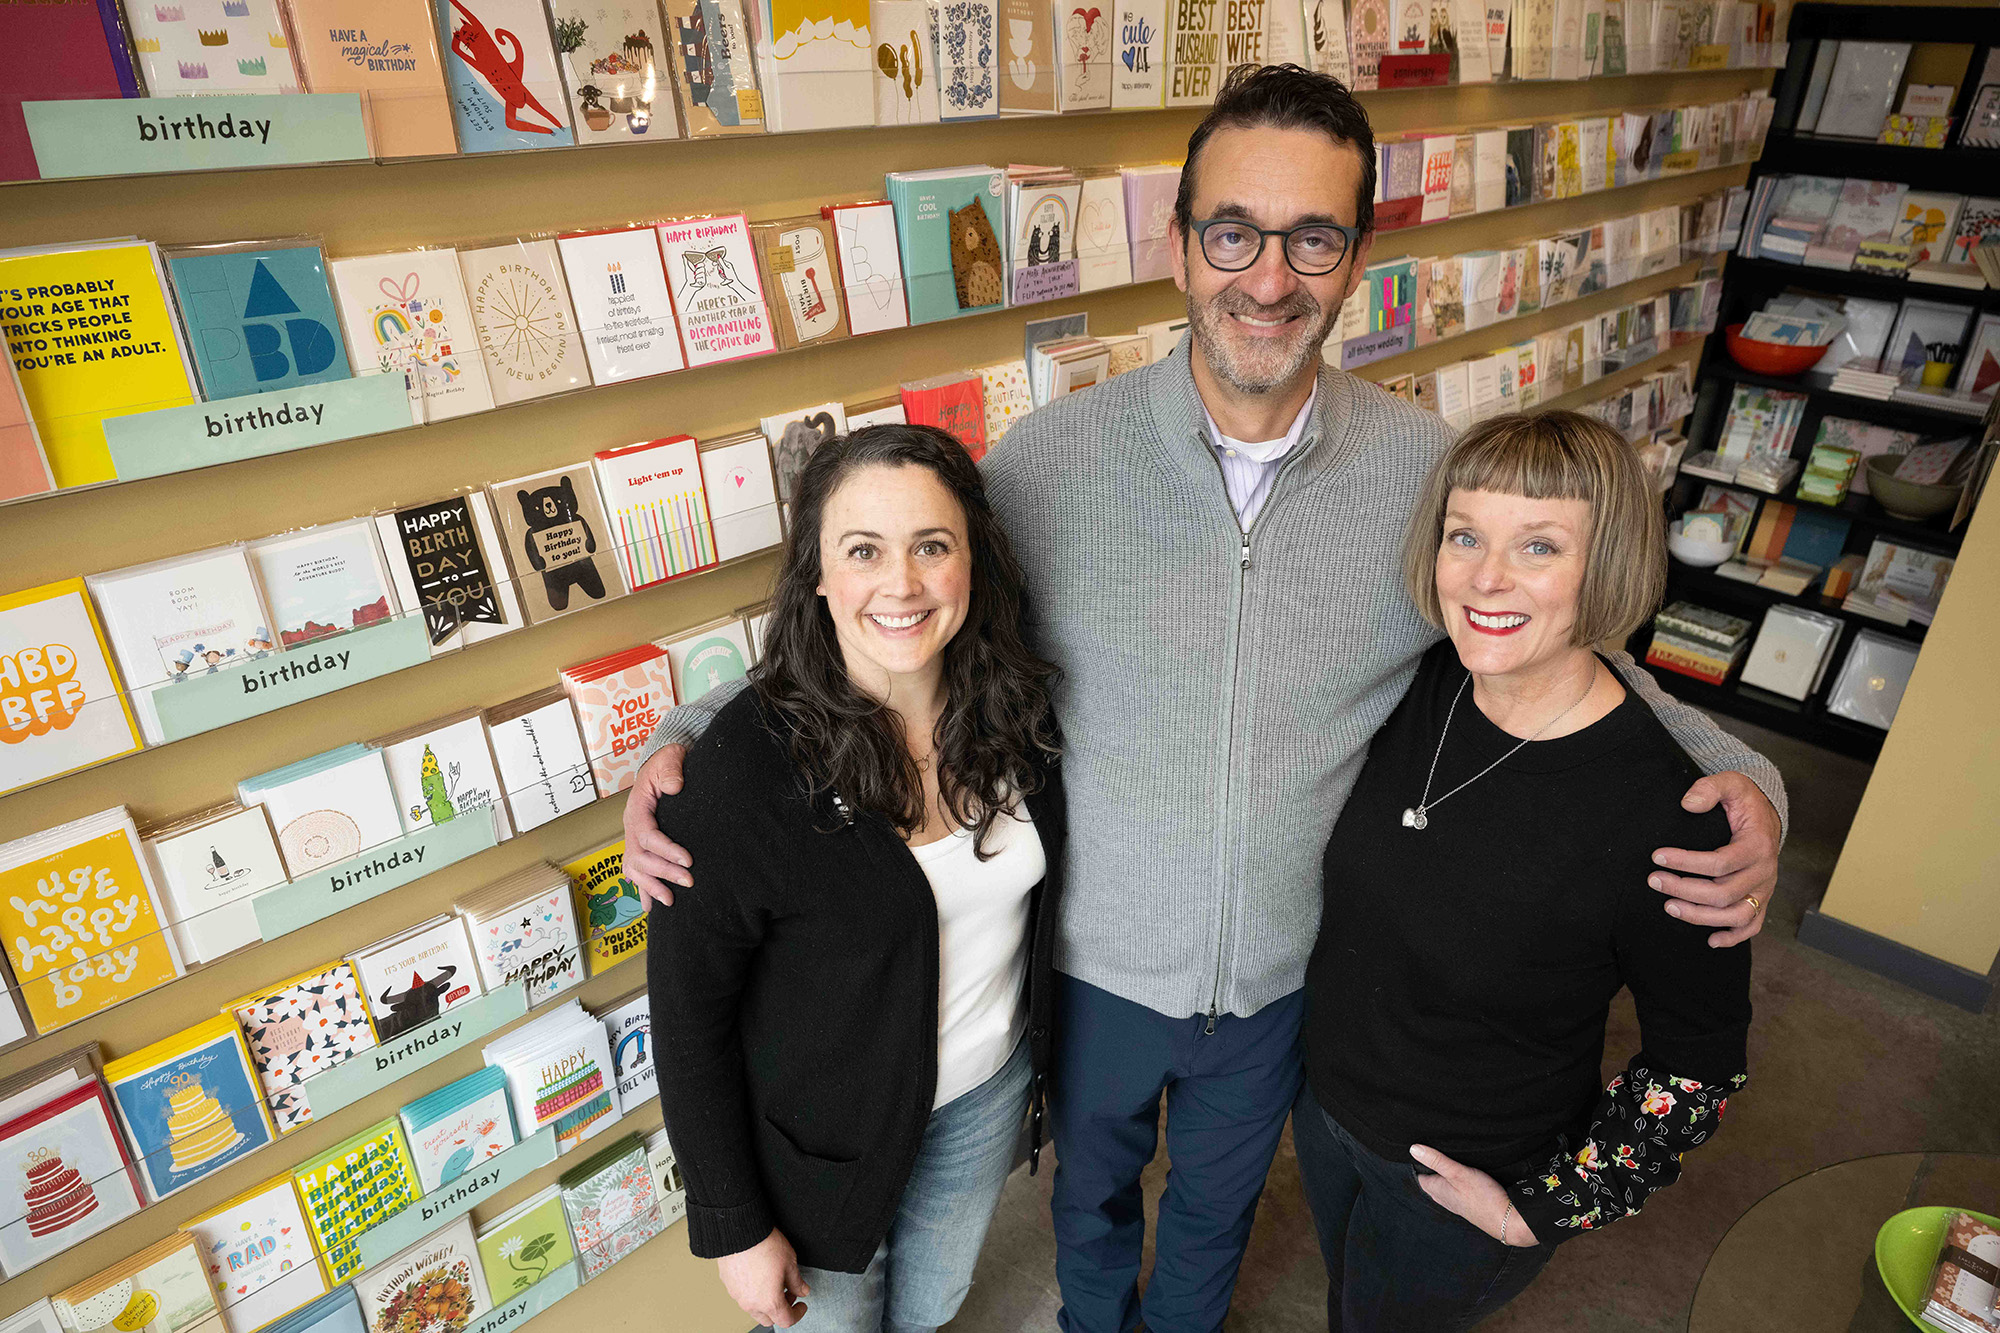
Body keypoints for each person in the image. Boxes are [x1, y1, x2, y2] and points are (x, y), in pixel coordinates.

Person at [626, 65, 1785, 1333]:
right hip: (1092, 962)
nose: (1268, 277)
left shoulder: (1421, 473)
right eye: (1231, 232)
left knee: (1214, 1215)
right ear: (1179, 247)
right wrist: (689, 738)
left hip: (1290, 975)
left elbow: (1550, 646)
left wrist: (1750, 777)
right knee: (1089, 1208)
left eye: (1311, 239)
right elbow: (887, 613)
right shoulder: (1048, 462)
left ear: (1354, 257)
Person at [1293, 410, 1753, 1330]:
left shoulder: (1675, 819)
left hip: (1466, 1183)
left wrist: (1541, 1206)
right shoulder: (1428, 677)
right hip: (1326, 1114)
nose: (1486, 577)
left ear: (1607, 563)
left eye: (1539, 546)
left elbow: (1698, 1069)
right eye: (1466, 536)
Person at [646, 424, 1068, 1333]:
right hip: (818, 1148)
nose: (902, 583)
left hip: (983, 1099)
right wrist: (733, 1224)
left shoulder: (1020, 709)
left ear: (972, 563)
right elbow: (687, 1022)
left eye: (932, 546)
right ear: (819, 579)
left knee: (930, 1309)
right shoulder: (741, 773)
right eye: (863, 550)